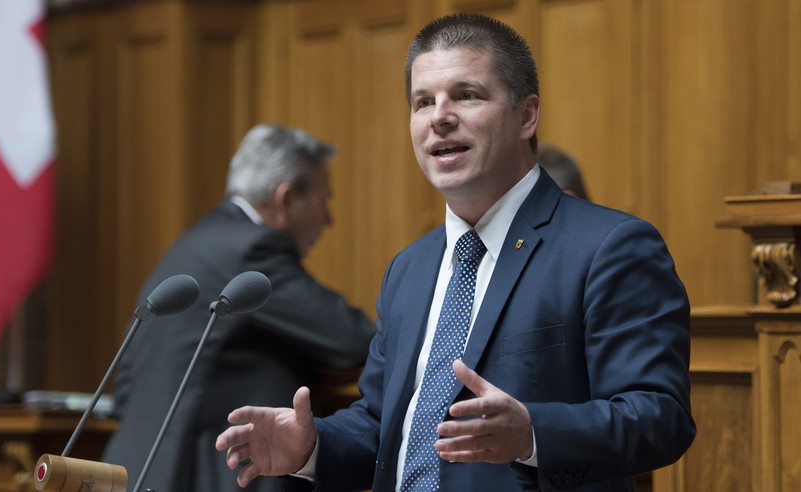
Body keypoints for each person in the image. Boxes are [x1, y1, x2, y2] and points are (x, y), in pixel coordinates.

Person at [216, 13, 695, 492]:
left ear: (527, 116)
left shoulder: (609, 246)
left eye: (466, 95)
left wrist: (532, 432)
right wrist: (313, 447)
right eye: (423, 102)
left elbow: (660, 416)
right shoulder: (409, 267)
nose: (439, 117)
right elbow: (383, 426)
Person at [101, 124, 376, 492]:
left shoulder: (193, 243)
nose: (328, 220)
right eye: (324, 201)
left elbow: (128, 379)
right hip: (200, 474)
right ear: (287, 198)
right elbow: (351, 338)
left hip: (137, 468)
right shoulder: (252, 250)